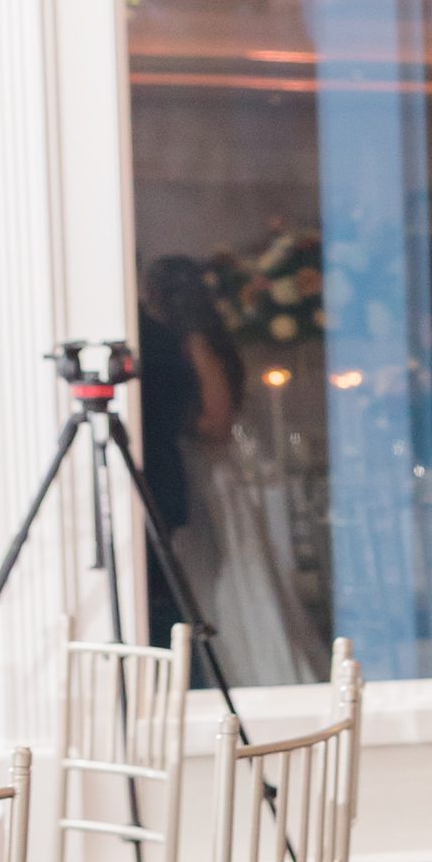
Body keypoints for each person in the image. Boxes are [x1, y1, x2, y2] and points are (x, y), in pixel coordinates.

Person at [137, 256, 325, 688]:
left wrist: (170, 422)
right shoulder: (189, 340)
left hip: (208, 478)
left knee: (222, 580)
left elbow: (217, 425)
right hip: (202, 473)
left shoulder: (195, 343)